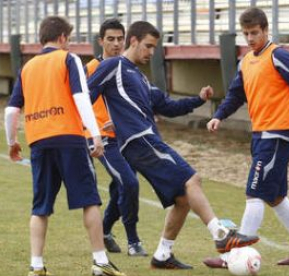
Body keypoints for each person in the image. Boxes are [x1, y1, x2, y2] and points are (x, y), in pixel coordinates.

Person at [87, 20, 259, 270]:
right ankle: (221, 235)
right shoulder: (113, 65)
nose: (151, 52)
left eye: (154, 47)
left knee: (182, 199)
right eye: (148, 46)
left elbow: (168, 106)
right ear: (133, 41)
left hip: (144, 140)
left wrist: (198, 100)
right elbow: (85, 95)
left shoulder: (139, 78)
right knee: (192, 180)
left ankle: (163, 255)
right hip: (141, 140)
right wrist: (92, 131)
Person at [204, 7, 289, 267]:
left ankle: (231, 257)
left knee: (254, 191)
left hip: (278, 136)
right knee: (275, 196)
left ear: (266, 30)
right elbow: (236, 94)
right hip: (260, 134)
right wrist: (219, 115)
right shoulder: (246, 61)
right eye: (246, 34)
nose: (250, 39)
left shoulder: (279, 56)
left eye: (255, 33)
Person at [4, 16, 125, 276]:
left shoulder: (27, 68)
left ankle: (36, 266)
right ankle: (100, 262)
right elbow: (81, 97)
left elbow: (11, 110)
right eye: (68, 39)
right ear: (62, 38)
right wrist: (94, 133)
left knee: (40, 207)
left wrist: (12, 142)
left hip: (38, 140)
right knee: (89, 200)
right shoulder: (68, 59)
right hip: (69, 138)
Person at [85, 18, 148, 257]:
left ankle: (104, 231)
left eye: (120, 39)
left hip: (125, 137)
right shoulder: (91, 67)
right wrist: (93, 131)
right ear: (101, 41)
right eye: (110, 39)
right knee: (129, 183)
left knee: (119, 187)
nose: (116, 44)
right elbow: (81, 103)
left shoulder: (128, 67)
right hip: (102, 139)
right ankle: (133, 241)